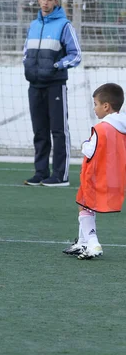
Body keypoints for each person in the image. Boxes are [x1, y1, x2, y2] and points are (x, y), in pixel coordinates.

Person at [23, 0, 82, 187]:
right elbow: (26, 51)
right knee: (39, 131)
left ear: (56, 1)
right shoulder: (33, 25)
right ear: (38, 0)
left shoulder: (64, 26)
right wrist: (27, 65)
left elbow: (76, 55)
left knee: (58, 130)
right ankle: (41, 172)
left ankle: (60, 175)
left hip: (55, 85)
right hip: (34, 85)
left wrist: (56, 66)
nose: (46, 2)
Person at [62, 83, 126, 260]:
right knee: (87, 205)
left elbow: (90, 151)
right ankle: (82, 242)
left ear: (106, 106)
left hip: (96, 176)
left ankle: (92, 242)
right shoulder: (123, 126)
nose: (95, 109)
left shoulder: (101, 128)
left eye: (96, 104)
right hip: (116, 177)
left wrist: (84, 144)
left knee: (84, 206)